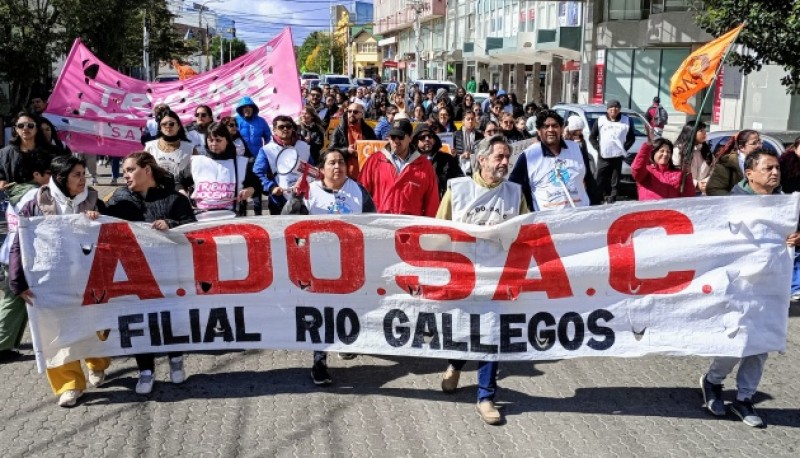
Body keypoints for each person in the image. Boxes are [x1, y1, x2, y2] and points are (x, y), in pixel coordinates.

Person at [700, 149, 800, 428]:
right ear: (750, 173)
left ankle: (744, 398)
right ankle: (713, 381)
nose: (775, 172)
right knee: (736, 339)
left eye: (777, 167)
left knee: (761, 344)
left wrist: (797, 236)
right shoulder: (733, 203)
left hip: (771, 286)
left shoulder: (787, 204)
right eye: (768, 168)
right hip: (739, 285)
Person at [438, 135, 527, 425]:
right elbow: (438, 232)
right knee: (465, 329)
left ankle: (486, 396)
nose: (505, 163)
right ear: (482, 159)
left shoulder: (515, 193)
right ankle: (455, 364)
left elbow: (527, 233)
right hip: (463, 276)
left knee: (490, 334)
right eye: (499, 157)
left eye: (507, 158)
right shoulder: (458, 189)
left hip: (498, 277)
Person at [9, 156, 108, 407]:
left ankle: (97, 364)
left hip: (89, 278)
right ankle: (70, 384)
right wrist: (17, 281)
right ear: (61, 178)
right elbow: (20, 243)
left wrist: (98, 221)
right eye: (77, 175)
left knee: (94, 325)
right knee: (57, 332)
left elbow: (110, 236)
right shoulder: (34, 203)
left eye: (83, 173)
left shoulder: (94, 199)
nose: (82, 179)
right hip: (51, 281)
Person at [282, 149, 377, 385]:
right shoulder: (310, 191)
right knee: (321, 312)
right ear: (321, 169)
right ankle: (319, 360)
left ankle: (345, 341)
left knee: (346, 307)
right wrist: (295, 199)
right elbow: (286, 221)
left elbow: (374, 220)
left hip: (349, 263)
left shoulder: (358, 190)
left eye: (341, 162)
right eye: (332, 163)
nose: (338, 167)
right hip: (318, 263)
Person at [104, 152, 196, 395]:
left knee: (170, 317)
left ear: (147, 170)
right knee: (138, 320)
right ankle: (146, 370)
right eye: (123, 170)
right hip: (134, 274)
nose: (125, 174)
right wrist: (93, 214)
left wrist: (171, 225)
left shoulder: (174, 199)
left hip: (169, 271)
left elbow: (193, 227)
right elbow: (103, 222)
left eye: (130, 169)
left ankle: (175, 358)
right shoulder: (120, 200)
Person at [0, 149, 51, 363]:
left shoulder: (15, 190)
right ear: (37, 174)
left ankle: (7, 344)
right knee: (14, 299)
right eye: (48, 173)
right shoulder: (34, 195)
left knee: (19, 299)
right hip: (21, 254)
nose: (51, 178)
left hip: (9, 250)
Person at [509, 110, 591, 211]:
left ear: (561, 128)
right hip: (547, 222)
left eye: (555, 126)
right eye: (545, 126)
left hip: (580, 218)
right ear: (538, 131)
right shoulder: (529, 156)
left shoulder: (577, 149)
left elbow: (589, 181)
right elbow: (514, 189)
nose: (550, 129)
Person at [358, 118, 439, 216]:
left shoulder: (425, 166)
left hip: (410, 227)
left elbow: (432, 202)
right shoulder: (375, 160)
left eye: (400, 137)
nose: (396, 140)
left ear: (410, 138)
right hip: (380, 226)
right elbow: (361, 194)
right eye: (393, 137)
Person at [180, 122, 259, 219]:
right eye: (210, 140)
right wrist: (184, 197)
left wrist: (250, 190)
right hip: (201, 218)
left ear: (227, 141)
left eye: (218, 140)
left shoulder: (242, 163)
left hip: (233, 218)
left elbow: (257, 185)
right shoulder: (197, 162)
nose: (214, 144)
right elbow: (178, 182)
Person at [254, 116, 313, 214]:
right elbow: (257, 173)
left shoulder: (303, 146)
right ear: (274, 130)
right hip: (279, 200)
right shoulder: (267, 150)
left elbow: (312, 169)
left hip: (303, 199)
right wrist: (271, 187)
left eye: (288, 126)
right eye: (281, 127)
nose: (285, 129)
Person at [631, 124, 695, 200]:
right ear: (653, 153)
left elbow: (689, 195)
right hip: (650, 210)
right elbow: (636, 168)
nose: (665, 154)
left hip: (670, 211)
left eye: (668, 152)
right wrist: (648, 145)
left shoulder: (678, 173)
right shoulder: (647, 171)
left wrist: (687, 175)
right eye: (662, 151)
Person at [589, 100, 635, 203]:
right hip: (603, 156)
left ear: (619, 109)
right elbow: (592, 137)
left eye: (616, 107)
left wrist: (624, 148)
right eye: (611, 107)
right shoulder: (600, 120)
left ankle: (612, 199)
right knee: (599, 178)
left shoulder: (626, 120)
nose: (613, 109)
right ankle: (596, 199)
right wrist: (598, 148)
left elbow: (631, 138)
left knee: (615, 180)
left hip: (617, 156)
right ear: (607, 109)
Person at [0, 112, 51, 190]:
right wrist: (2, 181)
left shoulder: (51, 151)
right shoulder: (4, 153)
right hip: (14, 198)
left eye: (30, 125)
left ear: (36, 129)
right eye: (21, 125)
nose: (25, 128)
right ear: (16, 129)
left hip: (43, 196)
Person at [143, 109, 196, 183]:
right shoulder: (150, 147)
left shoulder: (190, 149)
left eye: (171, 124)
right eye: (164, 124)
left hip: (180, 191)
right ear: (160, 128)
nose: (168, 126)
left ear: (179, 126)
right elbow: (143, 170)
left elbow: (196, 173)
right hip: (155, 190)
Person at [706, 130, 762, 196]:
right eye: (754, 143)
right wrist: (735, 199)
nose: (759, 146)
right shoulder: (726, 164)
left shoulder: (765, 161)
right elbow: (713, 190)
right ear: (741, 147)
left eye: (759, 142)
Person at [413, 123, 463, 198]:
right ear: (416, 141)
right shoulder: (411, 161)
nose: (427, 139)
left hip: (442, 202)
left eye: (430, 136)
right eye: (423, 137)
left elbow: (460, 180)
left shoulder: (447, 159)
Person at [329, 102, 376, 178]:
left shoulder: (368, 130)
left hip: (363, 175)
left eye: (355, 112)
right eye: (349, 111)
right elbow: (331, 149)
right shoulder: (339, 129)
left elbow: (374, 150)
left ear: (361, 114)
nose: (351, 114)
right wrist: (346, 151)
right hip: (343, 174)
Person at [672, 121, 713, 195]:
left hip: (704, 192)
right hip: (684, 192)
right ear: (691, 133)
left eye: (705, 130)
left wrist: (705, 182)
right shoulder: (678, 151)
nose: (704, 133)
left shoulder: (706, 150)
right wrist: (696, 184)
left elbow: (712, 170)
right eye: (701, 131)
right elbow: (675, 172)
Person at [454, 111, 483, 175]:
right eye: (468, 119)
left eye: (472, 119)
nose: (470, 121)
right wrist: (461, 156)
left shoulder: (480, 135)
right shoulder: (456, 135)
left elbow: (482, 152)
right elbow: (453, 152)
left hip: (475, 167)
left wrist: (472, 155)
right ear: (463, 121)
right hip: (460, 167)